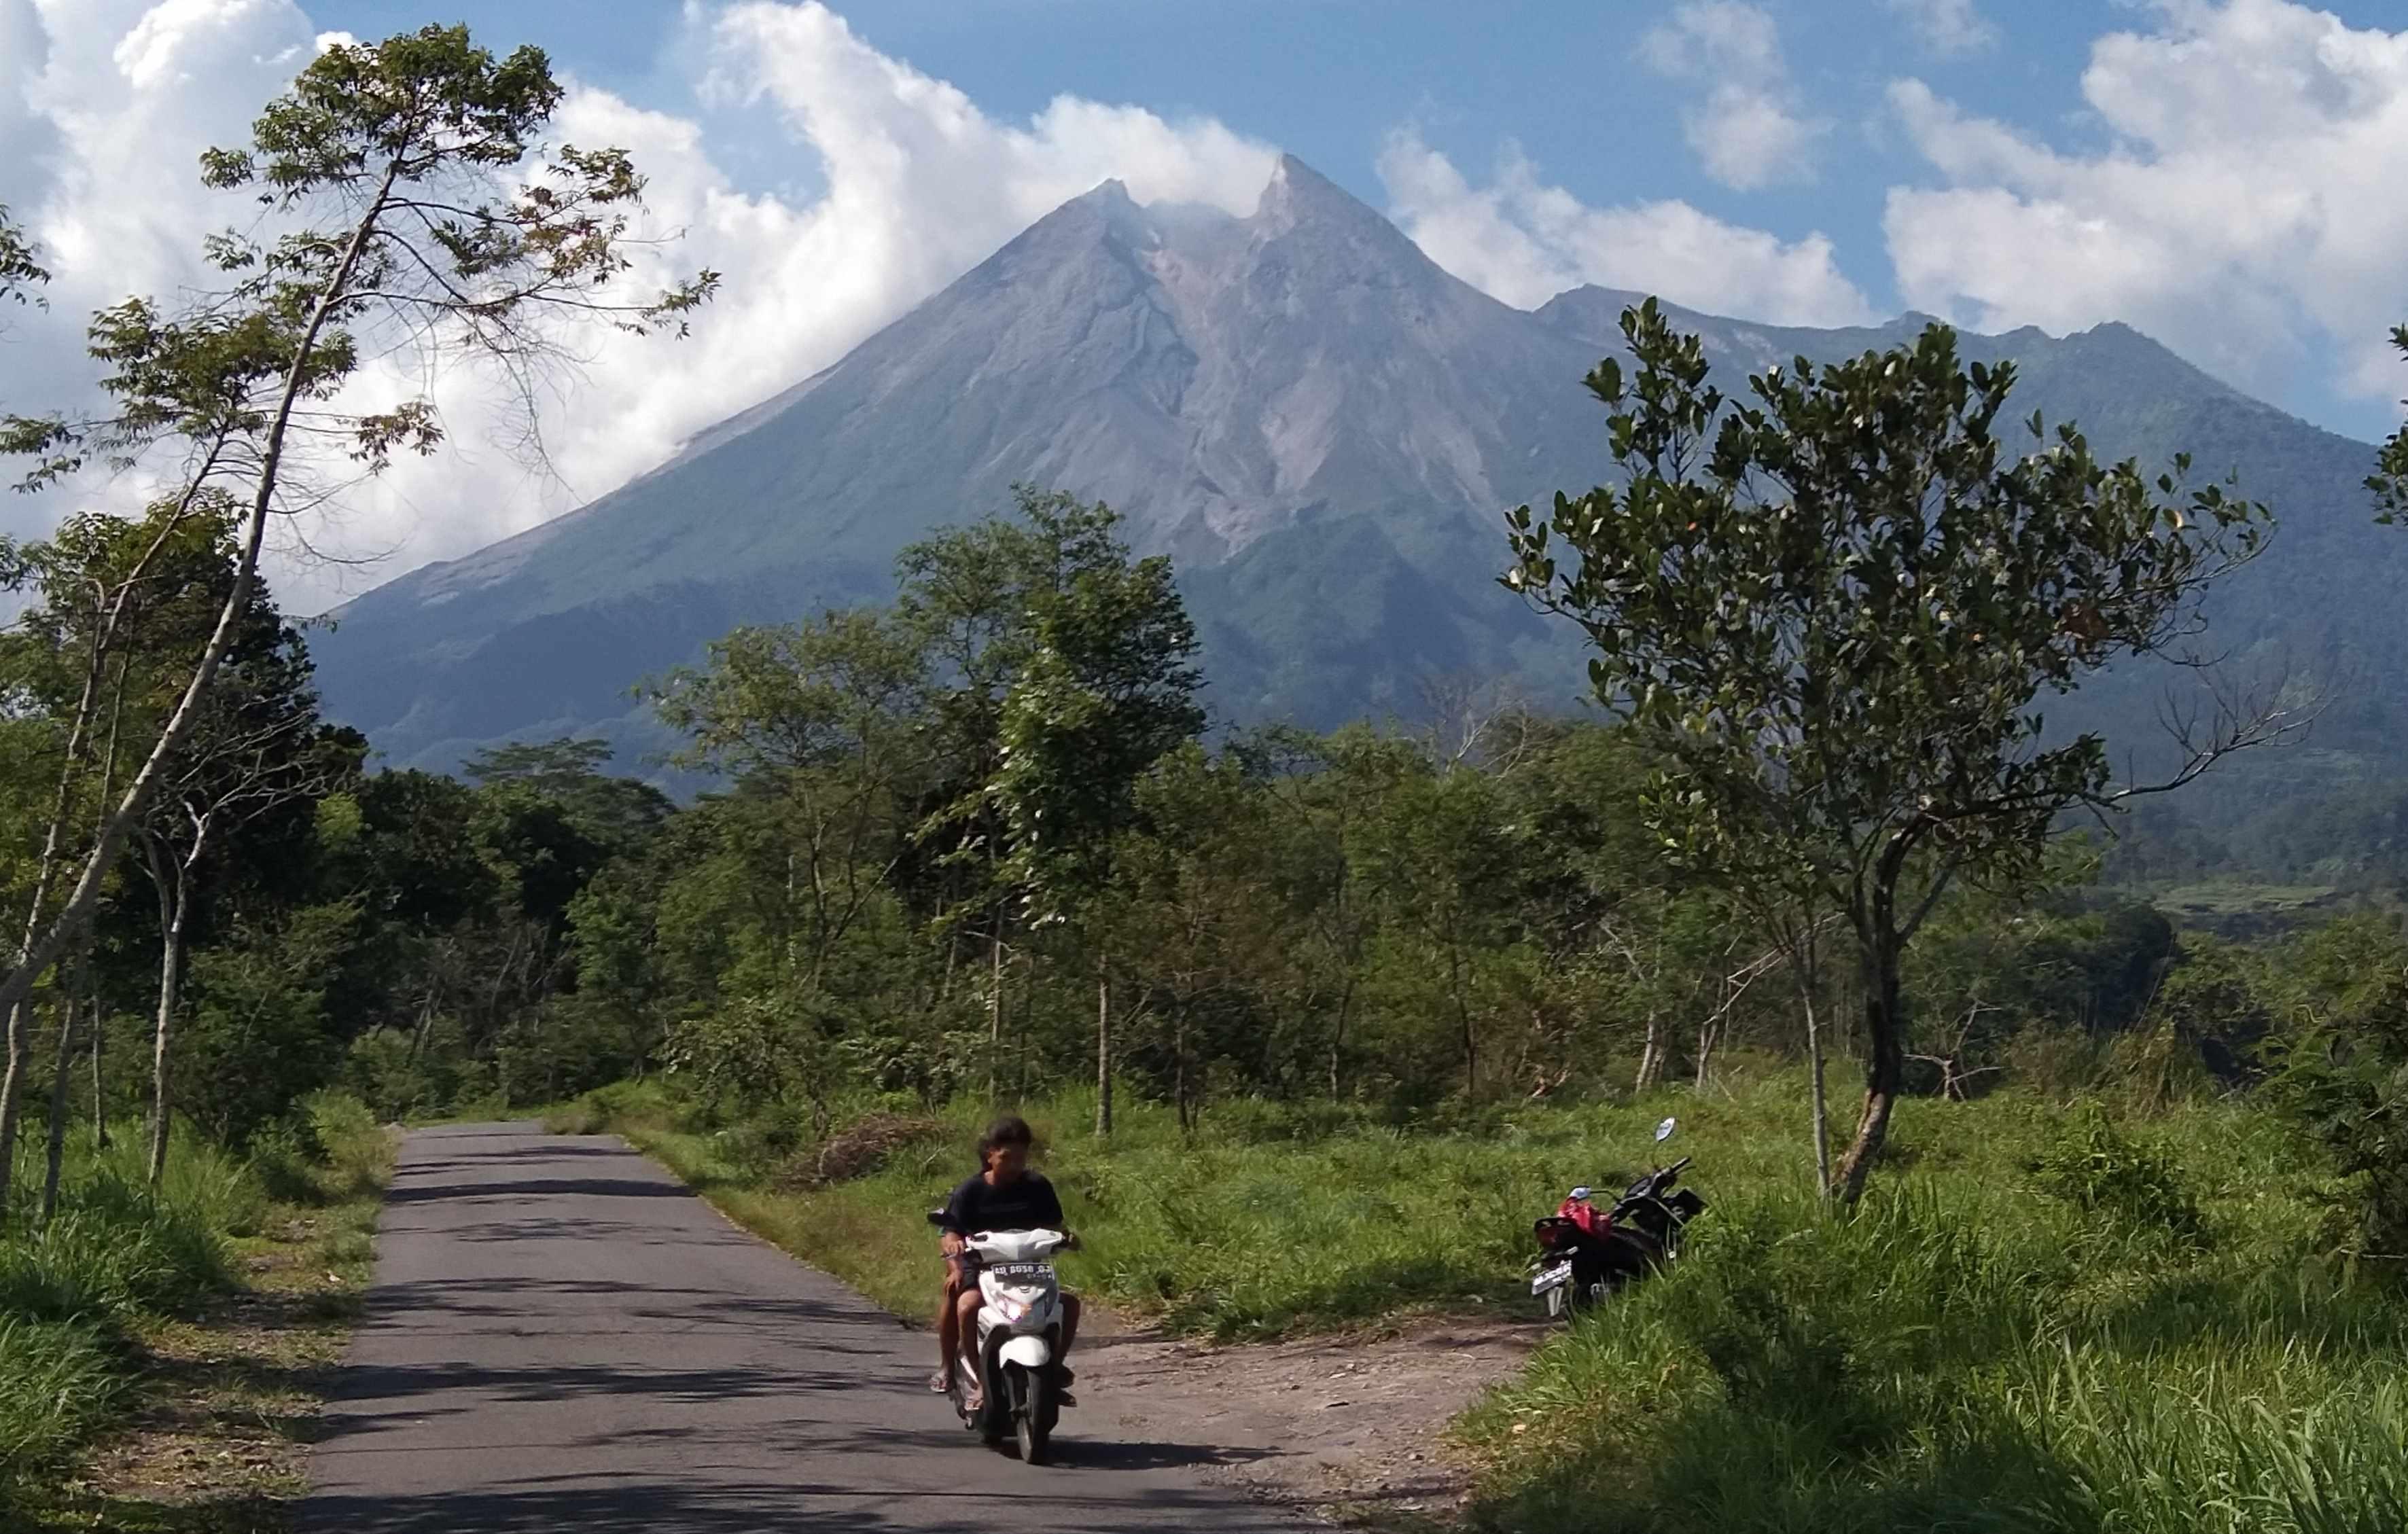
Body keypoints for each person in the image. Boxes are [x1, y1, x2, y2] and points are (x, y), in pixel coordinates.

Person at [932, 1115, 1082, 1404]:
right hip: (982, 1266)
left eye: (1020, 1158)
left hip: (1028, 1269)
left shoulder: (1038, 1186)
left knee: (1070, 1305)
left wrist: (1068, 1239)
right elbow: (950, 1232)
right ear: (990, 1154)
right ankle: (962, 1372)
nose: (1014, 1166)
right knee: (965, 1303)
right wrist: (955, 1263)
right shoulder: (971, 1190)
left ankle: (1054, 1368)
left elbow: (1055, 1227)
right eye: (1007, 1158)